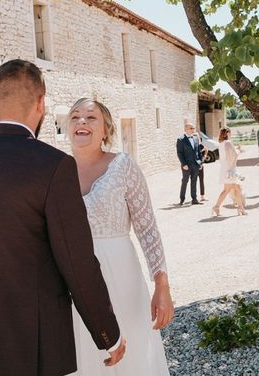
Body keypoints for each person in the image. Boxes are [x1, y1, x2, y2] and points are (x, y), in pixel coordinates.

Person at [0, 60, 125, 376]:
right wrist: (108, 334)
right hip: (31, 342)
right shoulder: (55, 167)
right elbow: (77, 262)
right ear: (41, 103)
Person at [67, 98, 173, 375]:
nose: (81, 122)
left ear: (106, 130)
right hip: (73, 280)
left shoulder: (123, 166)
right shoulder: (56, 172)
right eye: (75, 117)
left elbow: (147, 228)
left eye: (91, 118)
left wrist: (162, 287)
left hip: (122, 274)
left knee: (133, 356)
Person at [212, 127, 247, 217]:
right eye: (230, 133)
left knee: (237, 188)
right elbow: (233, 155)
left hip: (226, 169)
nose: (231, 134)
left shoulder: (221, 143)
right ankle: (216, 207)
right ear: (227, 133)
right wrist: (239, 149)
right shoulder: (228, 143)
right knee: (227, 190)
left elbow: (227, 156)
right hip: (230, 169)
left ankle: (241, 208)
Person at [176, 122, 203, 205]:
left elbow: (198, 151)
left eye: (193, 128)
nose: (193, 130)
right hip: (186, 165)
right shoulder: (180, 140)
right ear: (186, 129)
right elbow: (179, 153)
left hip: (195, 164)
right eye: (191, 128)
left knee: (194, 181)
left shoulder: (195, 138)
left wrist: (200, 162)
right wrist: (184, 164)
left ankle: (194, 199)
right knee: (185, 181)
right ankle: (182, 199)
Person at [196, 133, 209, 201]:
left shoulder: (201, 146)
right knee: (193, 181)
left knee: (201, 181)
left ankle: (202, 196)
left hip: (200, 166)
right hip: (193, 166)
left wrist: (205, 153)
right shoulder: (192, 146)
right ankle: (194, 197)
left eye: (198, 138)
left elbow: (203, 158)